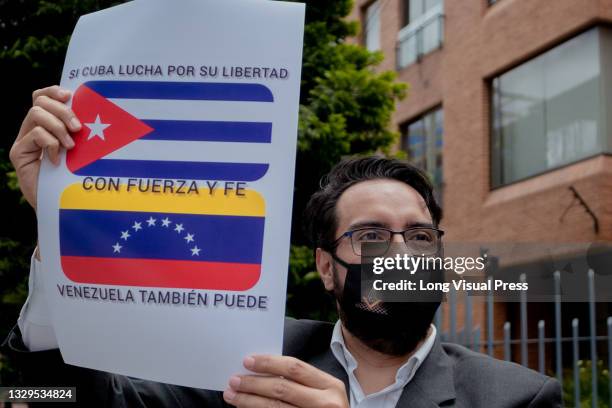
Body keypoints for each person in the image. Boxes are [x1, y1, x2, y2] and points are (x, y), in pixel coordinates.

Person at [2, 85, 562, 407]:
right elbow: (68, 399)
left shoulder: (519, 397)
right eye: (369, 236)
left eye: (418, 236)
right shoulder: (247, 355)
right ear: (326, 266)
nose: (399, 254)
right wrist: (59, 224)